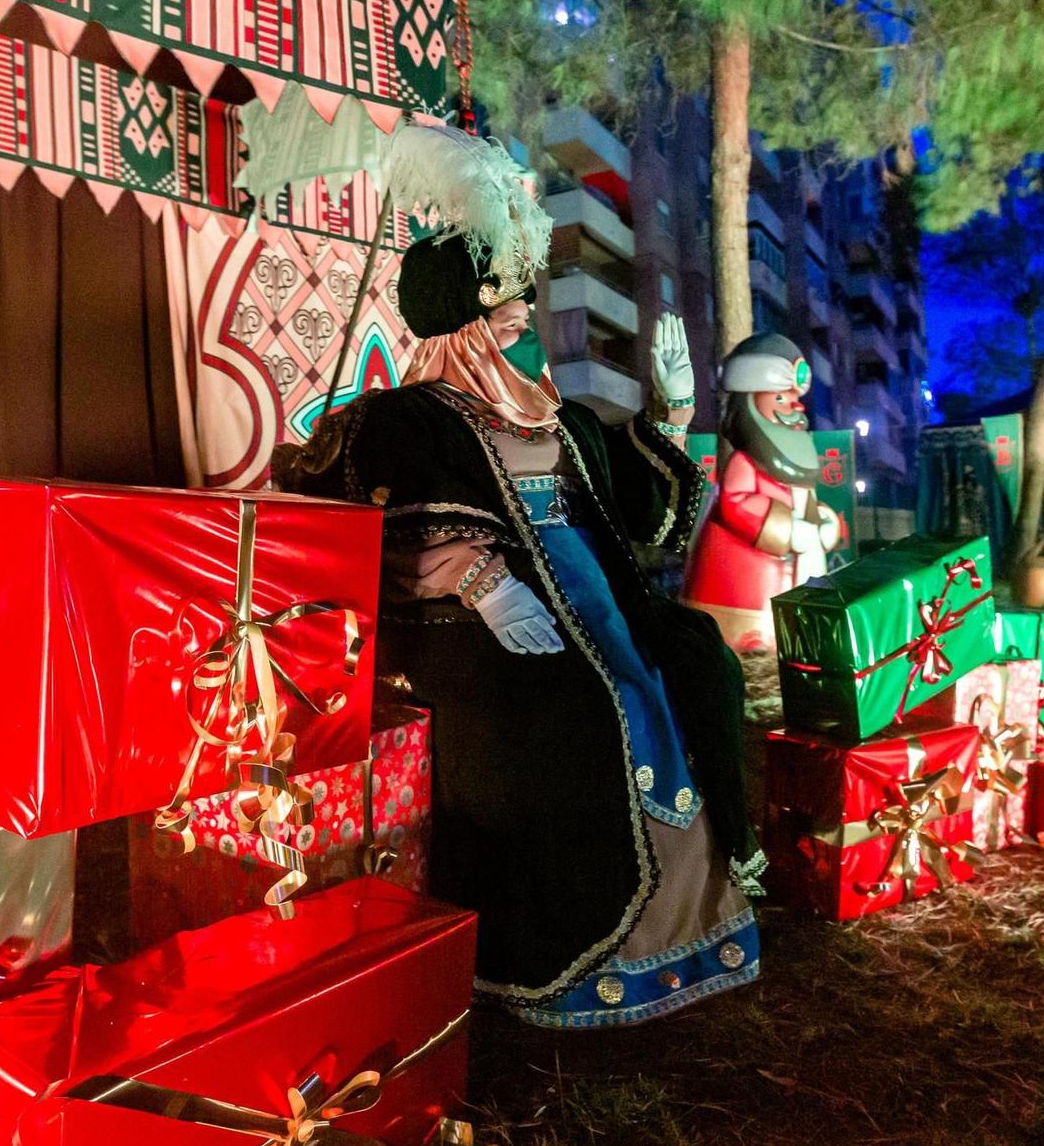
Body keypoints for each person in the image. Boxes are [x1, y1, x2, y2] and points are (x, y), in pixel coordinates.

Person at [282, 218, 764, 1029]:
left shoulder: (558, 418)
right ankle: (587, 954)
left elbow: (634, 518)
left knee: (691, 665)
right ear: (459, 323)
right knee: (574, 710)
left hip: (599, 596)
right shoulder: (400, 421)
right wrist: (476, 579)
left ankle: (691, 923)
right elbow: (364, 536)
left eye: (524, 312)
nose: (524, 328)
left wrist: (670, 415)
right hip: (477, 626)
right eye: (504, 315)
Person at [679, 332, 845, 652]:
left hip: (789, 581)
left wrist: (820, 523)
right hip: (743, 590)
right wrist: (789, 530)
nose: (795, 407)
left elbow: (804, 506)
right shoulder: (743, 462)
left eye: (794, 398)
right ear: (750, 403)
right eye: (780, 399)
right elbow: (736, 504)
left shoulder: (790, 466)